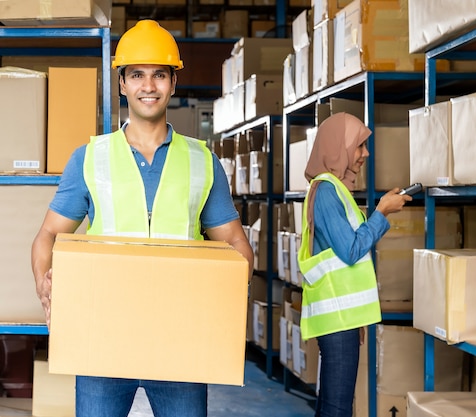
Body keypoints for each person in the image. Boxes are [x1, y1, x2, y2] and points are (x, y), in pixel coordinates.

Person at [30, 19, 253, 417]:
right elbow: (47, 235)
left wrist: (230, 293)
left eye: (159, 75)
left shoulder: (203, 161)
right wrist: (46, 288)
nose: (148, 86)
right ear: (121, 83)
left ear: (173, 83)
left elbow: (236, 244)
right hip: (102, 339)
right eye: (137, 75)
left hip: (181, 341)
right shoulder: (90, 158)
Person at [297, 112, 412, 417]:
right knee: (337, 408)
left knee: (332, 404)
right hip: (336, 318)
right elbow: (351, 250)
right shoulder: (326, 192)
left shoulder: (335, 190)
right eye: (359, 146)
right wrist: (381, 212)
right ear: (339, 147)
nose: (365, 153)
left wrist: (356, 317)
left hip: (341, 316)